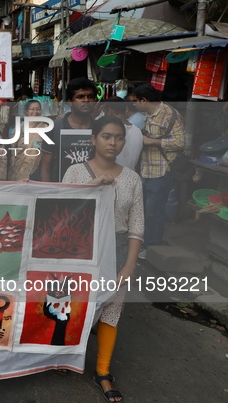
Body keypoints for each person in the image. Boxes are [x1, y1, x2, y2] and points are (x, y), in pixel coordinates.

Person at [62, 115, 143, 403]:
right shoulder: (74, 172)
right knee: (75, 305)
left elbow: (136, 226)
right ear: (93, 139)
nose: (113, 142)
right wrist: (92, 187)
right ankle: (65, 356)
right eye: (107, 136)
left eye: (119, 137)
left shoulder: (132, 179)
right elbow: (62, 213)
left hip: (118, 249)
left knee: (111, 310)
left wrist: (129, 264)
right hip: (81, 249)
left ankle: (103, 371)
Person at [133, 83, 185, 259]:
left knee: (154, 211)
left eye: (135, 102)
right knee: (146, 211)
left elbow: (180, 142)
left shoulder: (169, 114)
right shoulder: (148, 114)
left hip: (162, 170)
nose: (133, 105)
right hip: (146, 169)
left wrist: (152, 142)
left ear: (144, 100)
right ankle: (146, 244)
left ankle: (152, 246)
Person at [40, 78, 97, 182]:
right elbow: (45, 168)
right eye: (80, 97)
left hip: (93, 191)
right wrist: (47, 195)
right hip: (61, 191)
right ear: (69, 102)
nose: (86, 100)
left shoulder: (100, 128)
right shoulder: (54, 128)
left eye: (90, 97)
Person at [101, 97, 143, 171]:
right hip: (131, 175)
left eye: (104, 112)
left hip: (112, 176)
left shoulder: (110, 130)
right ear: (126, 110)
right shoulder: (137, 131)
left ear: (109, 111)